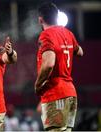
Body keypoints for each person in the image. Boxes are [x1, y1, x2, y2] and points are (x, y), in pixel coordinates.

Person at [34, 2, 83, 131]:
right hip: (71, 94)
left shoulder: (46, 35)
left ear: (40, 19)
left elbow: (49, 64)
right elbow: (80, 52)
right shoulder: (68, 33)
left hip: (55, 93)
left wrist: (38, 84)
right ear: (57, 16)